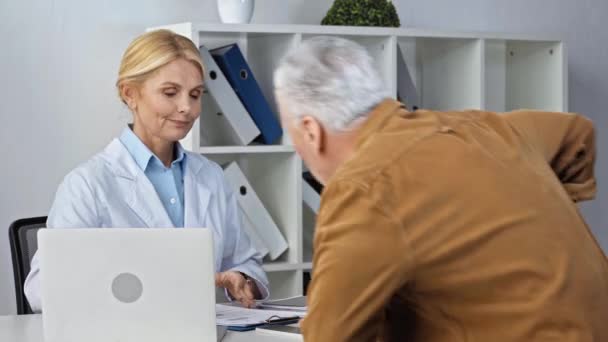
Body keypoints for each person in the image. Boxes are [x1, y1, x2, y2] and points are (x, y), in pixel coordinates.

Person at [273, 36, 608, 341]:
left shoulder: (364, 187)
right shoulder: (483, 126)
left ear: (311, 131)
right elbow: (576, 134)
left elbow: (331, 335)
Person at [24, 29, 269, 313]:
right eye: (170, 93)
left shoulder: (211, 177)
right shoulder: (87, 184)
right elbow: (41, 290)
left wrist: (241, 278)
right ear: (130, 94)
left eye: (195, 94)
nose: (186, 108)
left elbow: (248, 263)